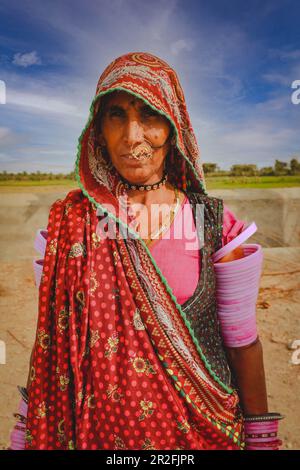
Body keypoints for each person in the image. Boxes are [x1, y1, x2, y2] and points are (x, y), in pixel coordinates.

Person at [9, 52, 283, 450]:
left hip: (201, 437)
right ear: (98, 129)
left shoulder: (214, 224)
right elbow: (53, 346)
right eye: (116, 115)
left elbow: (241, 341)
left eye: (150, 114)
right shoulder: (67, 228)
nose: (133, 136)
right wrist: (25, 434)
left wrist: (261, 438)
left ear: (172, 128)